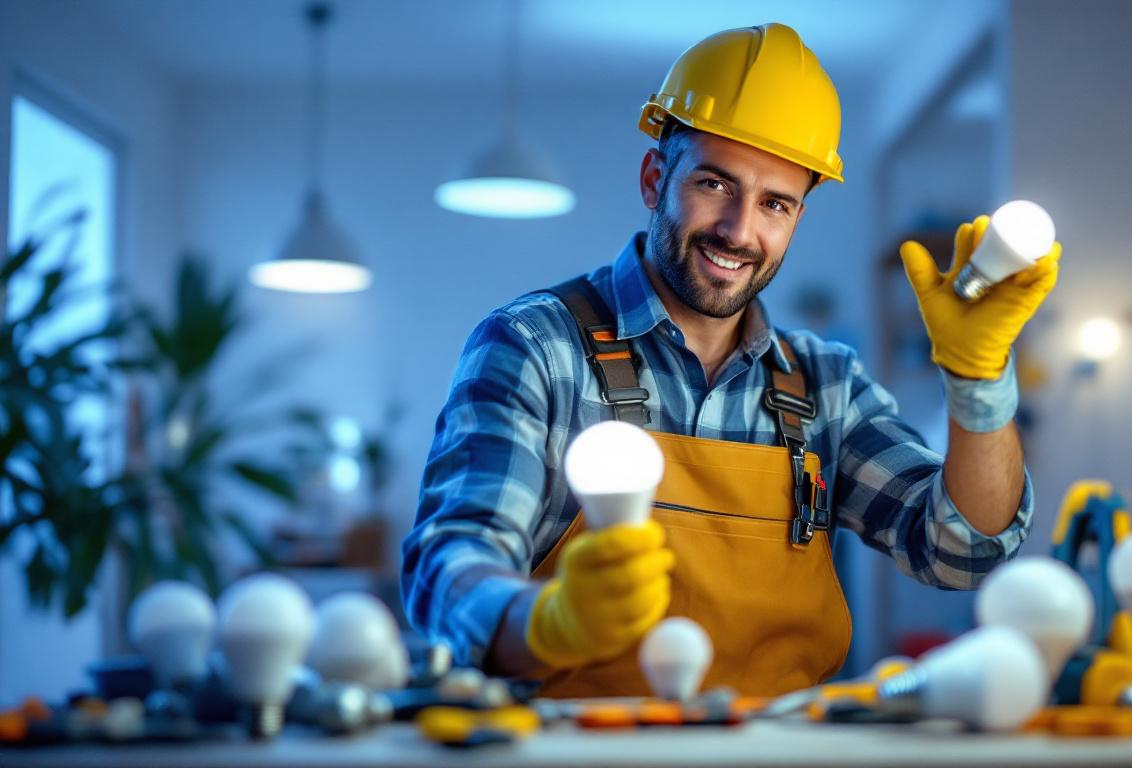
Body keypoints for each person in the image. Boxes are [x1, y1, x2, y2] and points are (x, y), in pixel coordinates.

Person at [402, 23, 1060, 697]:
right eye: (715, 184)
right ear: (655, 179)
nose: (739, 230)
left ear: (796, 218)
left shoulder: (827, 385)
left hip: (774, 742)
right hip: (580, 741)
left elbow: (962, 550)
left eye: (775, 203)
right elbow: (448, 564)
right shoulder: (537, 347)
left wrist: (979, 379)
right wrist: (548, 623)